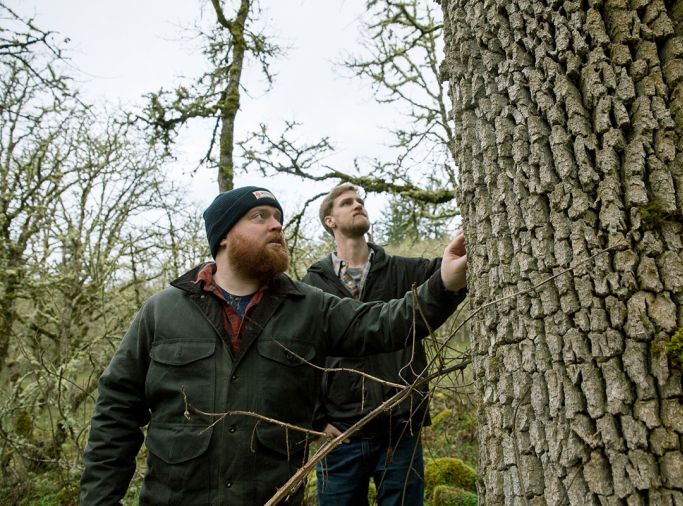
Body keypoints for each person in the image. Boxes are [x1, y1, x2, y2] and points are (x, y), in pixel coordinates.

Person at [79, 185, 467, 506]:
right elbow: (116, 411)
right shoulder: (162, 311)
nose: (276, 225)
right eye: (260, 216)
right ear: (224, 236)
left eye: (277, 217)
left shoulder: (308, 305)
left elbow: (383, 324)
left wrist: (443, 284)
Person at [303, 184, 444, 505]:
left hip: (399, 430)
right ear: (330, 221)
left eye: (360, 201)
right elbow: (300, 358)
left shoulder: (404, 272)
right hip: (339, 436)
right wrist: (317, 421)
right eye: (347, 202)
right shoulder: (311, 286)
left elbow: (450, 273)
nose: (358, 205)